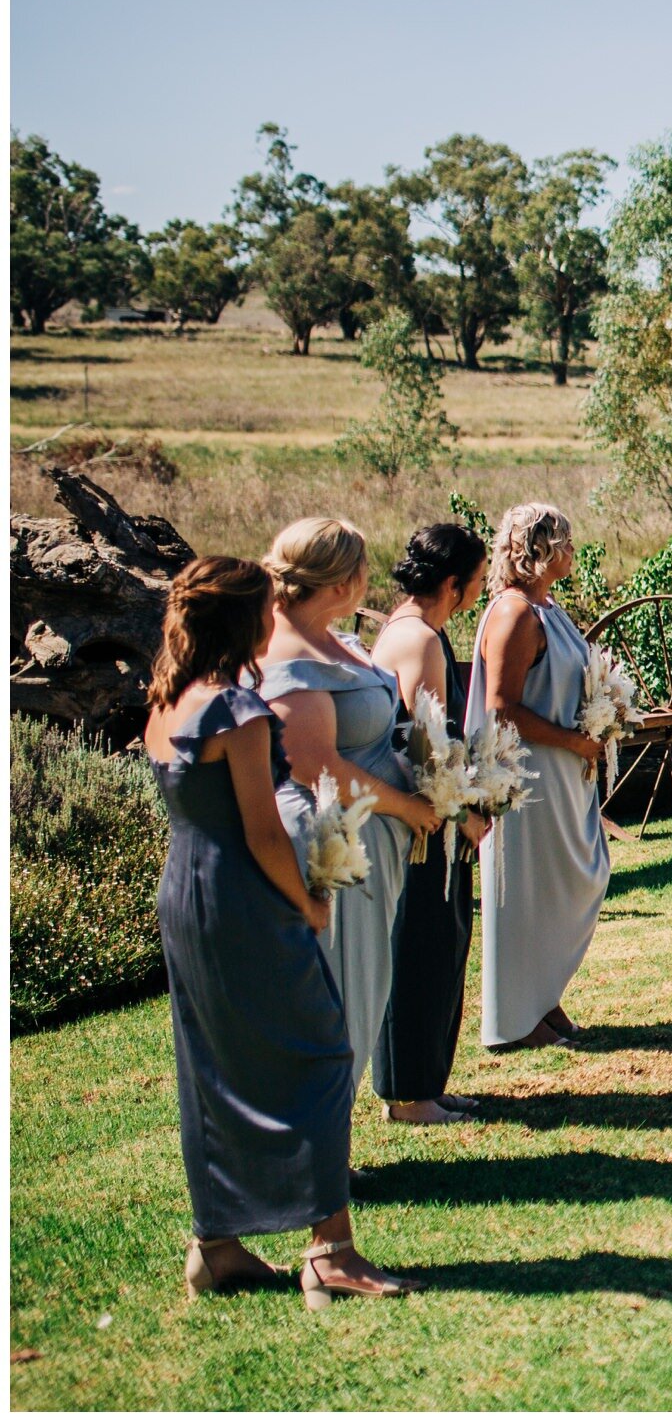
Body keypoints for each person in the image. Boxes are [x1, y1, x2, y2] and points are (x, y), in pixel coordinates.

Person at [146, 556, 413, 1308]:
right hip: (244, 897)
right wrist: (308, 901)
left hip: (185, 896)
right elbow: (266, 834)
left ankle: (217, 1245)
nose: (276, 617)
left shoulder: (167, 699)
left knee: (213, 1063)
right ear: (245, 620)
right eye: (267, 606)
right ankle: (331, 1252)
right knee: (322, 1051)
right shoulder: (238, 710)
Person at [253, 518, 441, 1101]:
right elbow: (314, 766)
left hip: (368, 840)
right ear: (342, 582)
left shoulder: (331, 634)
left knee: (363, 987)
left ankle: (328, 1142)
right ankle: (314, 1150)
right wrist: (407, 807)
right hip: (330, 841)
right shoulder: (287, 654)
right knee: (338, 989)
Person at [470, 503, 612, 1048]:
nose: (574, 552)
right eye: (567, 542)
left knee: (574, 879)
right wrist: (576, 740)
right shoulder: (513, 614)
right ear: (542, 549)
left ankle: (542, 997)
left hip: (561, 773)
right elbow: (502, 706)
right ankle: (513, 1017)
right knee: (528, 889)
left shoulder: (547, 607)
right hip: (527, 775)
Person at [368, 523, 492, 1124]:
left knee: (443, 946)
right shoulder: (417, 640)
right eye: (478, 579)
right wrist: (462, 812)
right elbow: (421, 746)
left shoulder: (419, 630)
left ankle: (426, 1084)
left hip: (433, 822)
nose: (482, 587)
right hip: (420, 828)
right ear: (452, 584)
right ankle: (410, 1096)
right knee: (419, 948)